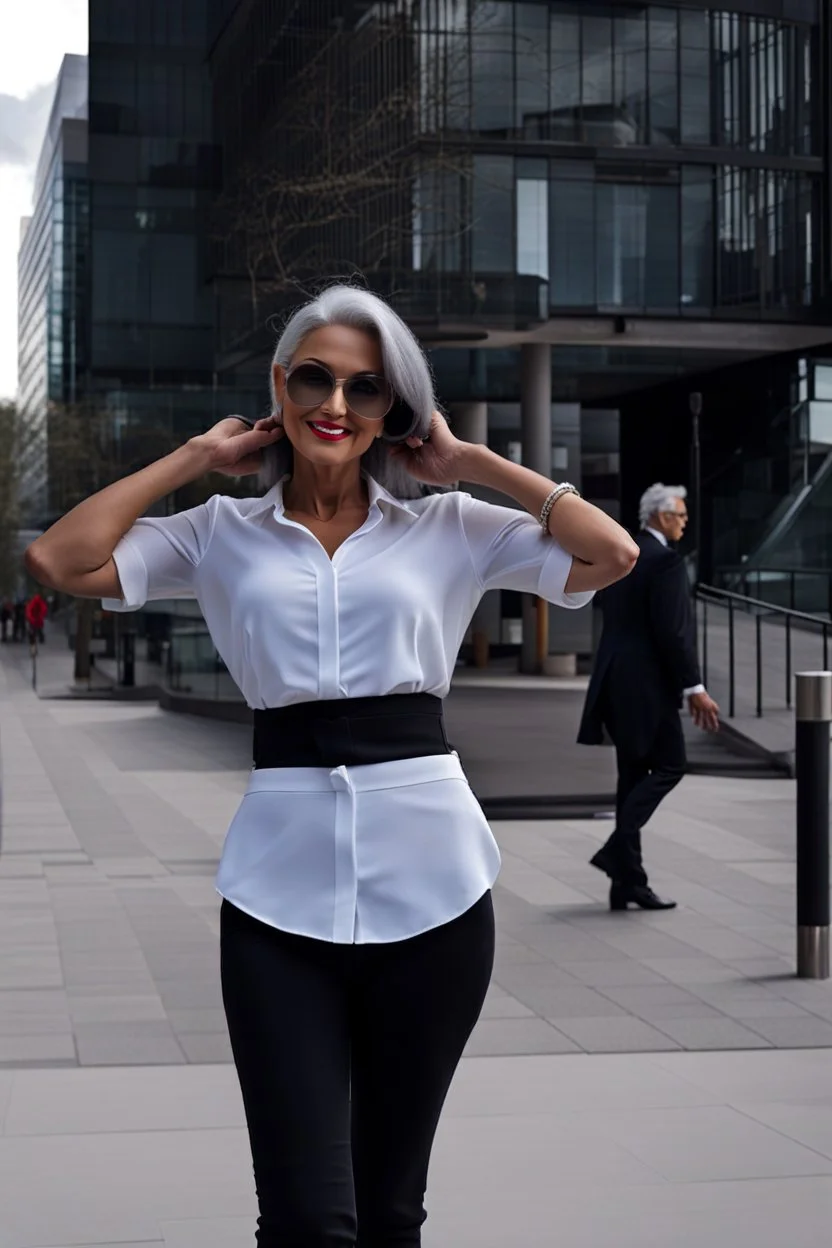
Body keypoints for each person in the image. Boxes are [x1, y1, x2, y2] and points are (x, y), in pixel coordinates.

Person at [25, 285, 638, 1246]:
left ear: (395, 408)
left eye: (366, 387)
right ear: (281, 384)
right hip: (277, 896)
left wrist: (471, 463)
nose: (338, 405)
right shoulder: (219, 532)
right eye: (316, 377)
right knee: (308, 1216)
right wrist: (196, 457)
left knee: (391, 1210)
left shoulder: (451, 527)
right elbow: (61, 561)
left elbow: (611, 554)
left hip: (436, 892)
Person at [578, 483, 720, 912]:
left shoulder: (627, 553)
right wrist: (694, 687)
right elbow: (673, 632)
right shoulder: (666, 562)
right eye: (679, 515)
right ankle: (617, 849)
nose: (685, 521)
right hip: (647, 687)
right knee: (672, 764)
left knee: (633, 775)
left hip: (615, 681)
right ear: (660, 517)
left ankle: (627, 884)